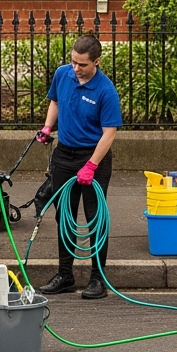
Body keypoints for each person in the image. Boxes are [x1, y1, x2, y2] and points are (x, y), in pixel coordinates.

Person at [34, 34, 121, 299]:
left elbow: (109, 133)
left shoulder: (105, 90)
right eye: (73, 61)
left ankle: (97, 279)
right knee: (65, 217)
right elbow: (56, 102)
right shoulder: (63, 75)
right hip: (64, 156)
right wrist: (48, 127)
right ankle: (65, 274)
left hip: (93, 157)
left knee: (95, 219)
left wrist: (91, 166)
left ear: (96, 61)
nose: (76, 68)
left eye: (82, 64)